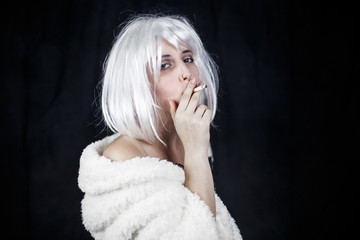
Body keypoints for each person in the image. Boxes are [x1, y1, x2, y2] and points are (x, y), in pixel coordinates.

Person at [78, 14, 242, 240]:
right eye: (165, 65)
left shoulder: (189, 136)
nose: (186, 74)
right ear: (138, 84)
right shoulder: (122, 158)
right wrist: (195, 152)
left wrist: (195, 149)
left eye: (187, 59)